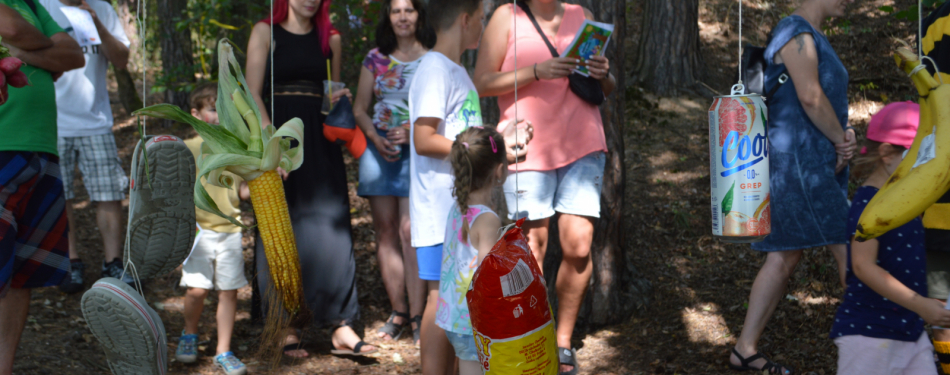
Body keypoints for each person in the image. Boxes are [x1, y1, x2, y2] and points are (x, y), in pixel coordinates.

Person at [472, 1, 615, 373]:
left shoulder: (579, 14)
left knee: (580, 246)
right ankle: (531, 338)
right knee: (530, 250)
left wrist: (603, 72)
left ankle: (562, 342)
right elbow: (482, 82)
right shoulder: (507, 15)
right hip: (527, 146)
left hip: (583, 142)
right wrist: (537, 70)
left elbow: (605, 87)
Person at [727, 1, 858, 373]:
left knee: (785, 255)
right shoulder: (794, 31)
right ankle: (868, 342)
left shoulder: (813, 35)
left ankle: (744, 348)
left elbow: (825, 100)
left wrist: (842, 134)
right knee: (851, 244)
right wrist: (840, 140)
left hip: (811, 159)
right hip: (798, 162)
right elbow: (810, 96)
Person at [245, 0, 375, 358]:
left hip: (320, 139)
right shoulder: (265, 32)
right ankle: (285, 324)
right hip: (278, 137)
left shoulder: (329, 37)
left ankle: (341, 324)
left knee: (330, 225)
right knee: (283, 226)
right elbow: (251, 92)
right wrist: (273, 140)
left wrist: (340, 99)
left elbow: (330, 91)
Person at [408, 1, 531, 372]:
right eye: (480, 20)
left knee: (454, 301)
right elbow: (423, 137)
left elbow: (460, 135)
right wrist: (482, 154)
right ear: (464, 20)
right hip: (436, 210)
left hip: (460, 208)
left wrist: (496, 141)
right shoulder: (434, 69)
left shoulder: (455, 70)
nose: (483, 27)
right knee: (437, 300)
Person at [828, 101, 950, 375]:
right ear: (886, 153)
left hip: (910, 331)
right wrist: (921, 305)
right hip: (869, 335)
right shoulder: (870, 205)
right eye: (919, 154)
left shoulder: (907, 202)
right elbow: (861, 266)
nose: (926, 164)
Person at [0, 0, 84, 373]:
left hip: (40, 148)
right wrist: (35, 48)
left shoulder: (32, 2)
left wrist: (15, 52)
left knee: (22, 274)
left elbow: (73, 56)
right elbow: (16, 30)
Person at [352, 0, 433, 345]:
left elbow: (446, 107)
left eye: (409, 10)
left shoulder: (434, 56)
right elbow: (359, 107)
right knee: (385, 231)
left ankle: (419, 316)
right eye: (396, 10)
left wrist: (414, 133)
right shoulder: (376, 57)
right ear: (389, 17)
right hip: (379, 149)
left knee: (410, 231)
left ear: (419, 15)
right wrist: (375, 138)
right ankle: (398, 311)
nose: (402, 17)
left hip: (420, 149)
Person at [38, 0, 132, 293]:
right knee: (60, 195)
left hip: (96, 120)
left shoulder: (101, 8)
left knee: (109, 193)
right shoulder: (41, 6)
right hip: (52, 119)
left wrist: (97, 24)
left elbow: (121, 59)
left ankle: (113, 261)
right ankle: (71, 261)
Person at [175, 83, 250, 375]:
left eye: (223, 109)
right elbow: (177, 187)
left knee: (229, 291)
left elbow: (242, 191)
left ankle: (223, 350)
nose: (219, 115)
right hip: (198, 233)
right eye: (212, 108)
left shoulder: (234, 150)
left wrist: (262, 185)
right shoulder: (189, 148)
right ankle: (189, 334)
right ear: (195, 114)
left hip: (231, 232)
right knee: (196, 290)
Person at [439, 127, 506, 375]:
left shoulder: (458, 208)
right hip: (474, 321)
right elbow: (488, 276)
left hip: (453, 315)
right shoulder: (488, 220)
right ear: (499, 170)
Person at [917, 2, 950, 372]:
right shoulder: (936, 25)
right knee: (942, 309)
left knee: (942, 309)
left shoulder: (934, 24)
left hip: (938, 196)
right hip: (940, 202)